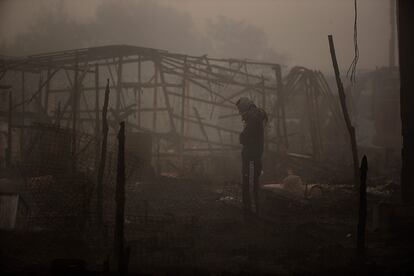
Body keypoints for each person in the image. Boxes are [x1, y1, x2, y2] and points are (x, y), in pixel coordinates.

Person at [236, 97, 268, 217]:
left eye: (240, 109)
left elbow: (243, 138)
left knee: (250, 186)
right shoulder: (254, 118)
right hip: (252, 158)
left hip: (251, 159)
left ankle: (252, 213)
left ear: (245, 107)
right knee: (251, 185)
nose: (240, 113)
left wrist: (242, 136)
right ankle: (250, 211)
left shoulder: (253, 120)